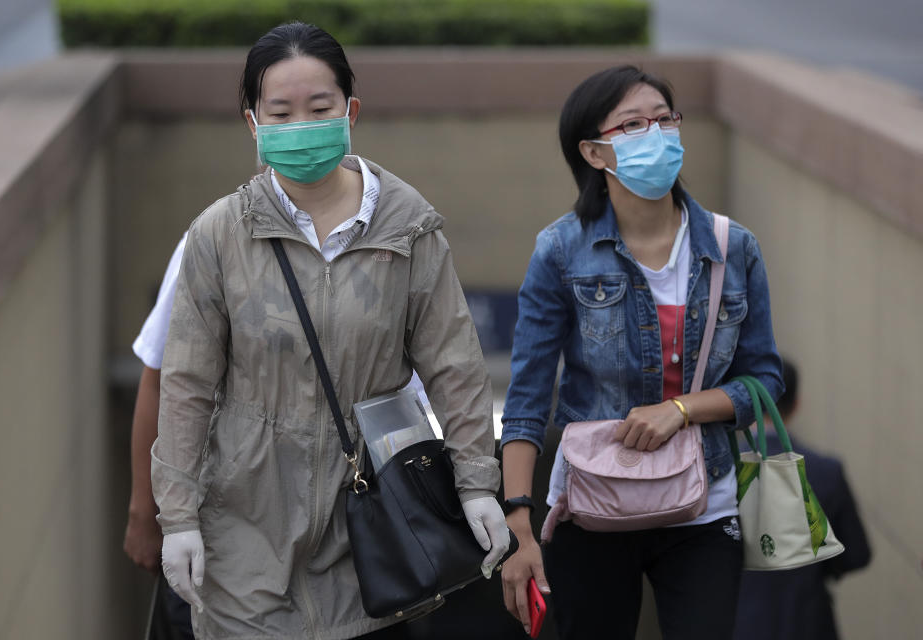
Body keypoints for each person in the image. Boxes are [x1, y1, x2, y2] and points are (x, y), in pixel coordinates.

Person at [150, 22, 510, 640]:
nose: (302, 126)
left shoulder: (408, 228)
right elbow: (186, 384)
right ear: (252, 123)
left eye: (319, 108)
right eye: (280, 112)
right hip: (247, 518)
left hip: (374, 518)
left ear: (351, 111)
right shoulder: (219, 235)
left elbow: (454, 364)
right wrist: (177, 516)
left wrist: (478, 482)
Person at [498, 65, 784, 640]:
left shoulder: (734, 248)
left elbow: (765, 382)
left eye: (664, 119)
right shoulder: (560, 251)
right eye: (632, 125)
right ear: (595, 152)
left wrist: (681, 410)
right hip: (591, 507)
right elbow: (527, 398)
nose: (655, 134)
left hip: (707, 503)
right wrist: (519, 529)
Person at [733, 357, 871, 640]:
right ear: (797, 404)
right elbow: (856, 555)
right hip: (807, 621)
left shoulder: (722, 472)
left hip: (737, 623)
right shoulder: (826, 471)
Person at [123, 233, 195, 639]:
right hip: (212, 531)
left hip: (342, 537)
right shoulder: (207, 241)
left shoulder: (392, 229)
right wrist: (142, 510)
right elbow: (157, 377)